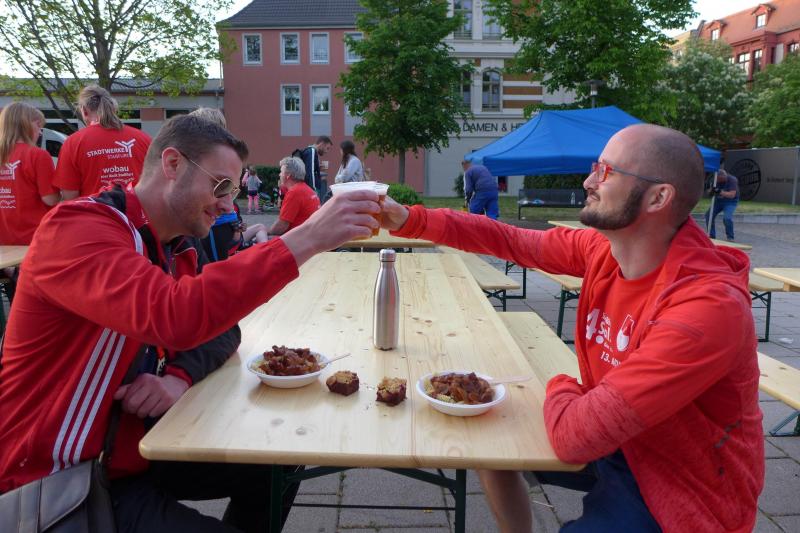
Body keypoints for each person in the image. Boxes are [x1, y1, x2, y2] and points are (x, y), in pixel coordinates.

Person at [0, 114, 381, 531]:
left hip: (132, 452)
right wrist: (307, 237)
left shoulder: (176, 245)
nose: (228, 205)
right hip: (55, 479)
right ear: (172, 164)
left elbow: (223, 327)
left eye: (233, 191)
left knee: (278, 461)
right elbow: (175, 315)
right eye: (220, 186)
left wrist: (177, 378)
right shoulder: (77, 229)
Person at [380, 124, 763, 532]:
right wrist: (409, 219)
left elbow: (574, 438)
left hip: (678, 483)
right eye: (595, 167)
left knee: (543, 423)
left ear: (658, 197)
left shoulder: (706, 308)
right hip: (618, 439)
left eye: (607, 171)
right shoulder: (606, 251)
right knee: (485, 438)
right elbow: (511, 240)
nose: (589, 181)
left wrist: (561, 383)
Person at [54, 84, 151, 199]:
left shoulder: (73, 143)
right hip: (136, 209)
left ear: (84, 110)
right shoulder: (143, 138)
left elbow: (70, 195)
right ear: (113, 108)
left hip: (93, 210)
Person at [0, 102, 59, 245]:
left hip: (3, 240)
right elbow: (50, 199)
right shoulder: (38, 155)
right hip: (34, 237)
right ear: (26, 125)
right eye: (39, 125)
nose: (40, 132)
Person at [268, 156, 320, 237]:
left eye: (281, 172)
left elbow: (281, 226)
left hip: (299, 238)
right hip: (310, 235)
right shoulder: (308, 190)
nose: (279, 174)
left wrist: (267, 231)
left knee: (260, 235)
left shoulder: (294, 192)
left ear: (288, 175)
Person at [704, 168, 739, 241]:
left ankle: (730, 237)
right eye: (717, 179)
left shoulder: (732, 180)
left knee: (727, 218)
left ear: (724, 177)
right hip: (718, 201)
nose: (718, 181)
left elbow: (732, 195)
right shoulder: (714, 180)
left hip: (730, 202)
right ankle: (711, 236)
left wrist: (720, 192)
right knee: (708, 215)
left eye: (720, 179)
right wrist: (711, 191)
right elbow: (709, 193)